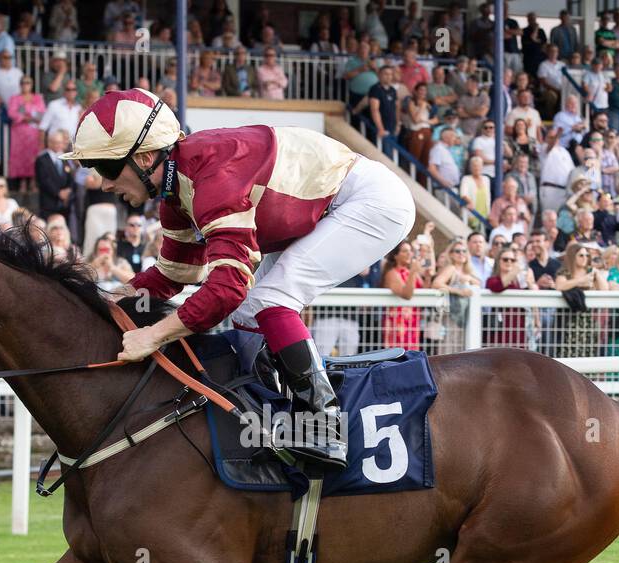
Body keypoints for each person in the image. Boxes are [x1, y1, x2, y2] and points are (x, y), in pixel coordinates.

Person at [63, 89, 415, 469]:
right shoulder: (176, 192)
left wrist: (154, 335)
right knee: (249, 313)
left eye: (106, 167)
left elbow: (226, 288)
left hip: (368, 199)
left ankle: (324, 426)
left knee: (270, 299)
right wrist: (112, 299)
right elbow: (175, 273)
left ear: (146, 158)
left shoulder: (212, 179)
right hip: (322, 209)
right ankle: (273, 418)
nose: (103, 183)